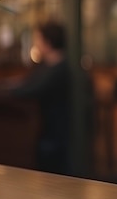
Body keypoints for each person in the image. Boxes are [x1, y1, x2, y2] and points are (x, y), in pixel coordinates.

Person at [10, 20, 72, 175]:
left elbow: (31, 89)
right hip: (45, 129)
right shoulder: (46, 66)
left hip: (56, 132)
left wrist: (8, 90)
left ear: (48, 42)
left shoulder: (59, 69)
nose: (36, 43)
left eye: (38, 39)